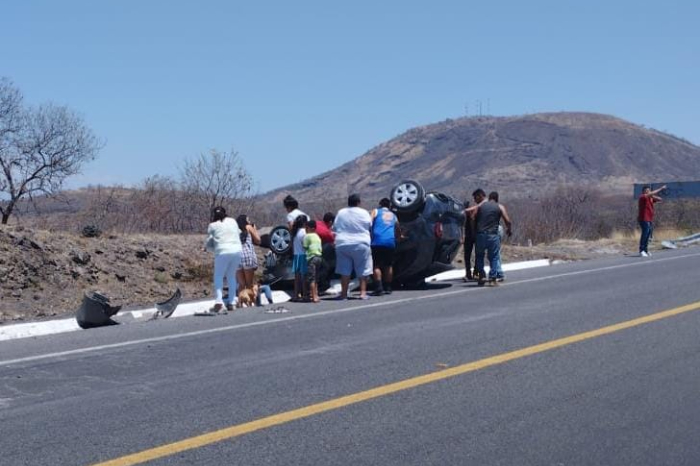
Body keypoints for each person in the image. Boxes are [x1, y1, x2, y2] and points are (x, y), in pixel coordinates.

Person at [333, 194, 373, 300]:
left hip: (342, 243)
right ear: (358, 202)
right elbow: (369, 225)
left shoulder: (341, 212)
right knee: (362, 269)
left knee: (344, 270)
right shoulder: (364, 212)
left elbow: (335, 227)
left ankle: (344, 294)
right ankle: (363, 293)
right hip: (361, 242)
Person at [204, 206, 242, 312]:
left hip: (222, 251)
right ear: (225, 213)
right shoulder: (232, 221)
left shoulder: (212, 225)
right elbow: (238, 233)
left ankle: (219, 302)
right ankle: (232, 302)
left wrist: (208, 248)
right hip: (237, 250)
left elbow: (210, 241)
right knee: (231, 276)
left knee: (218, 276)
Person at [471, 190, 512, 286]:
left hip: (480, 234)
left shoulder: (481, 206)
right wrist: (509, 230)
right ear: (497, 199)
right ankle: (493, 279)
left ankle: (481, 276)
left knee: (479, 256)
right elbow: (508, 221)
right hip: (492, 235)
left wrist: (474, 230)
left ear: (489, 198)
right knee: (494, 257)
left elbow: (472, 216)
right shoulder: (499, 206)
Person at [370, 198, 400, 295]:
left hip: (377, 241)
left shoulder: (376, 211)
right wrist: (399, 237)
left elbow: (369, 222)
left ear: (380, 204)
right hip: (390, 242)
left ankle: (379, 287)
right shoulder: (393, 215)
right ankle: (388, 287)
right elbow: (397, 228)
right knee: (388, 265)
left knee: (376, 265)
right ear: (389, 206)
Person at [638, 184, 666, 257]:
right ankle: (641, 250)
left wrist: (652, 196)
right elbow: (649, 194)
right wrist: (661, 188)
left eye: (649, 190)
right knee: (645, 234)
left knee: (648, 235)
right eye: (646, 190)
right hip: (644, 218)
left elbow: (660, 199)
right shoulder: (642, 197)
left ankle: (646, 250)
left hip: (649, 219)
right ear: (643, 191)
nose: (648, 192)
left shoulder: (650, 198)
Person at [236, 214, 261, 294]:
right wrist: (254, 229)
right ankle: (250, 300)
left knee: (241, 284)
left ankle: (241, 300)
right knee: (249, 284)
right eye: (248, 220)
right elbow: (258, 240)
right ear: (245, 221)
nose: (249, 222)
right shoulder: (248, 227)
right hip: (247, 256)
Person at [303, 220, 323, 303]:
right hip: (319, 257)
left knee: (311, 278)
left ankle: (313, 296)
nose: (305, 229)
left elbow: (305, 246)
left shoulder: (307, 236)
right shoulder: (317, 236)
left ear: (311, 228)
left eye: (306, 228)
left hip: (311, 257)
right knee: (316, 277)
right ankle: (316, 294)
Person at [291, 214, 308, 301]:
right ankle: (305, 294)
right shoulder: (304, 232)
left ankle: (296, 295)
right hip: (303, 255)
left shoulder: (295, 232)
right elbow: (305, 245)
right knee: (304, 277)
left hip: (296, 255)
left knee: (297, 278)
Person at [461, 200, 477, 281]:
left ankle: (476, 273)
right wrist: (462, 236)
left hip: (476, 237)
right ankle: (468, 273)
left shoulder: (476, 216)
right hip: (468, 237)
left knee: (478, 255)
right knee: (467, 256)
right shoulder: (464, 218)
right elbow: (462, 227)